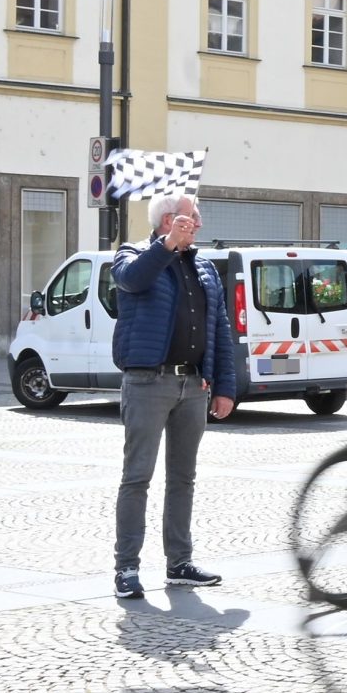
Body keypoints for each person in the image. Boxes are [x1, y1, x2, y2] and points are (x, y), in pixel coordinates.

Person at [111, 191, 242, 598]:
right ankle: (127, 568)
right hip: (148, 383)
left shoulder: (202, 267)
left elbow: (220, 328)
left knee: (183, 478)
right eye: (191, 219)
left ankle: (179, 562)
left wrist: (224, 386)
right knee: (137, 478)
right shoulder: (131, 254)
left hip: (193, 387)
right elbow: (131, 281)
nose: (198, 225)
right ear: (169, 221)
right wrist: (166, 247)